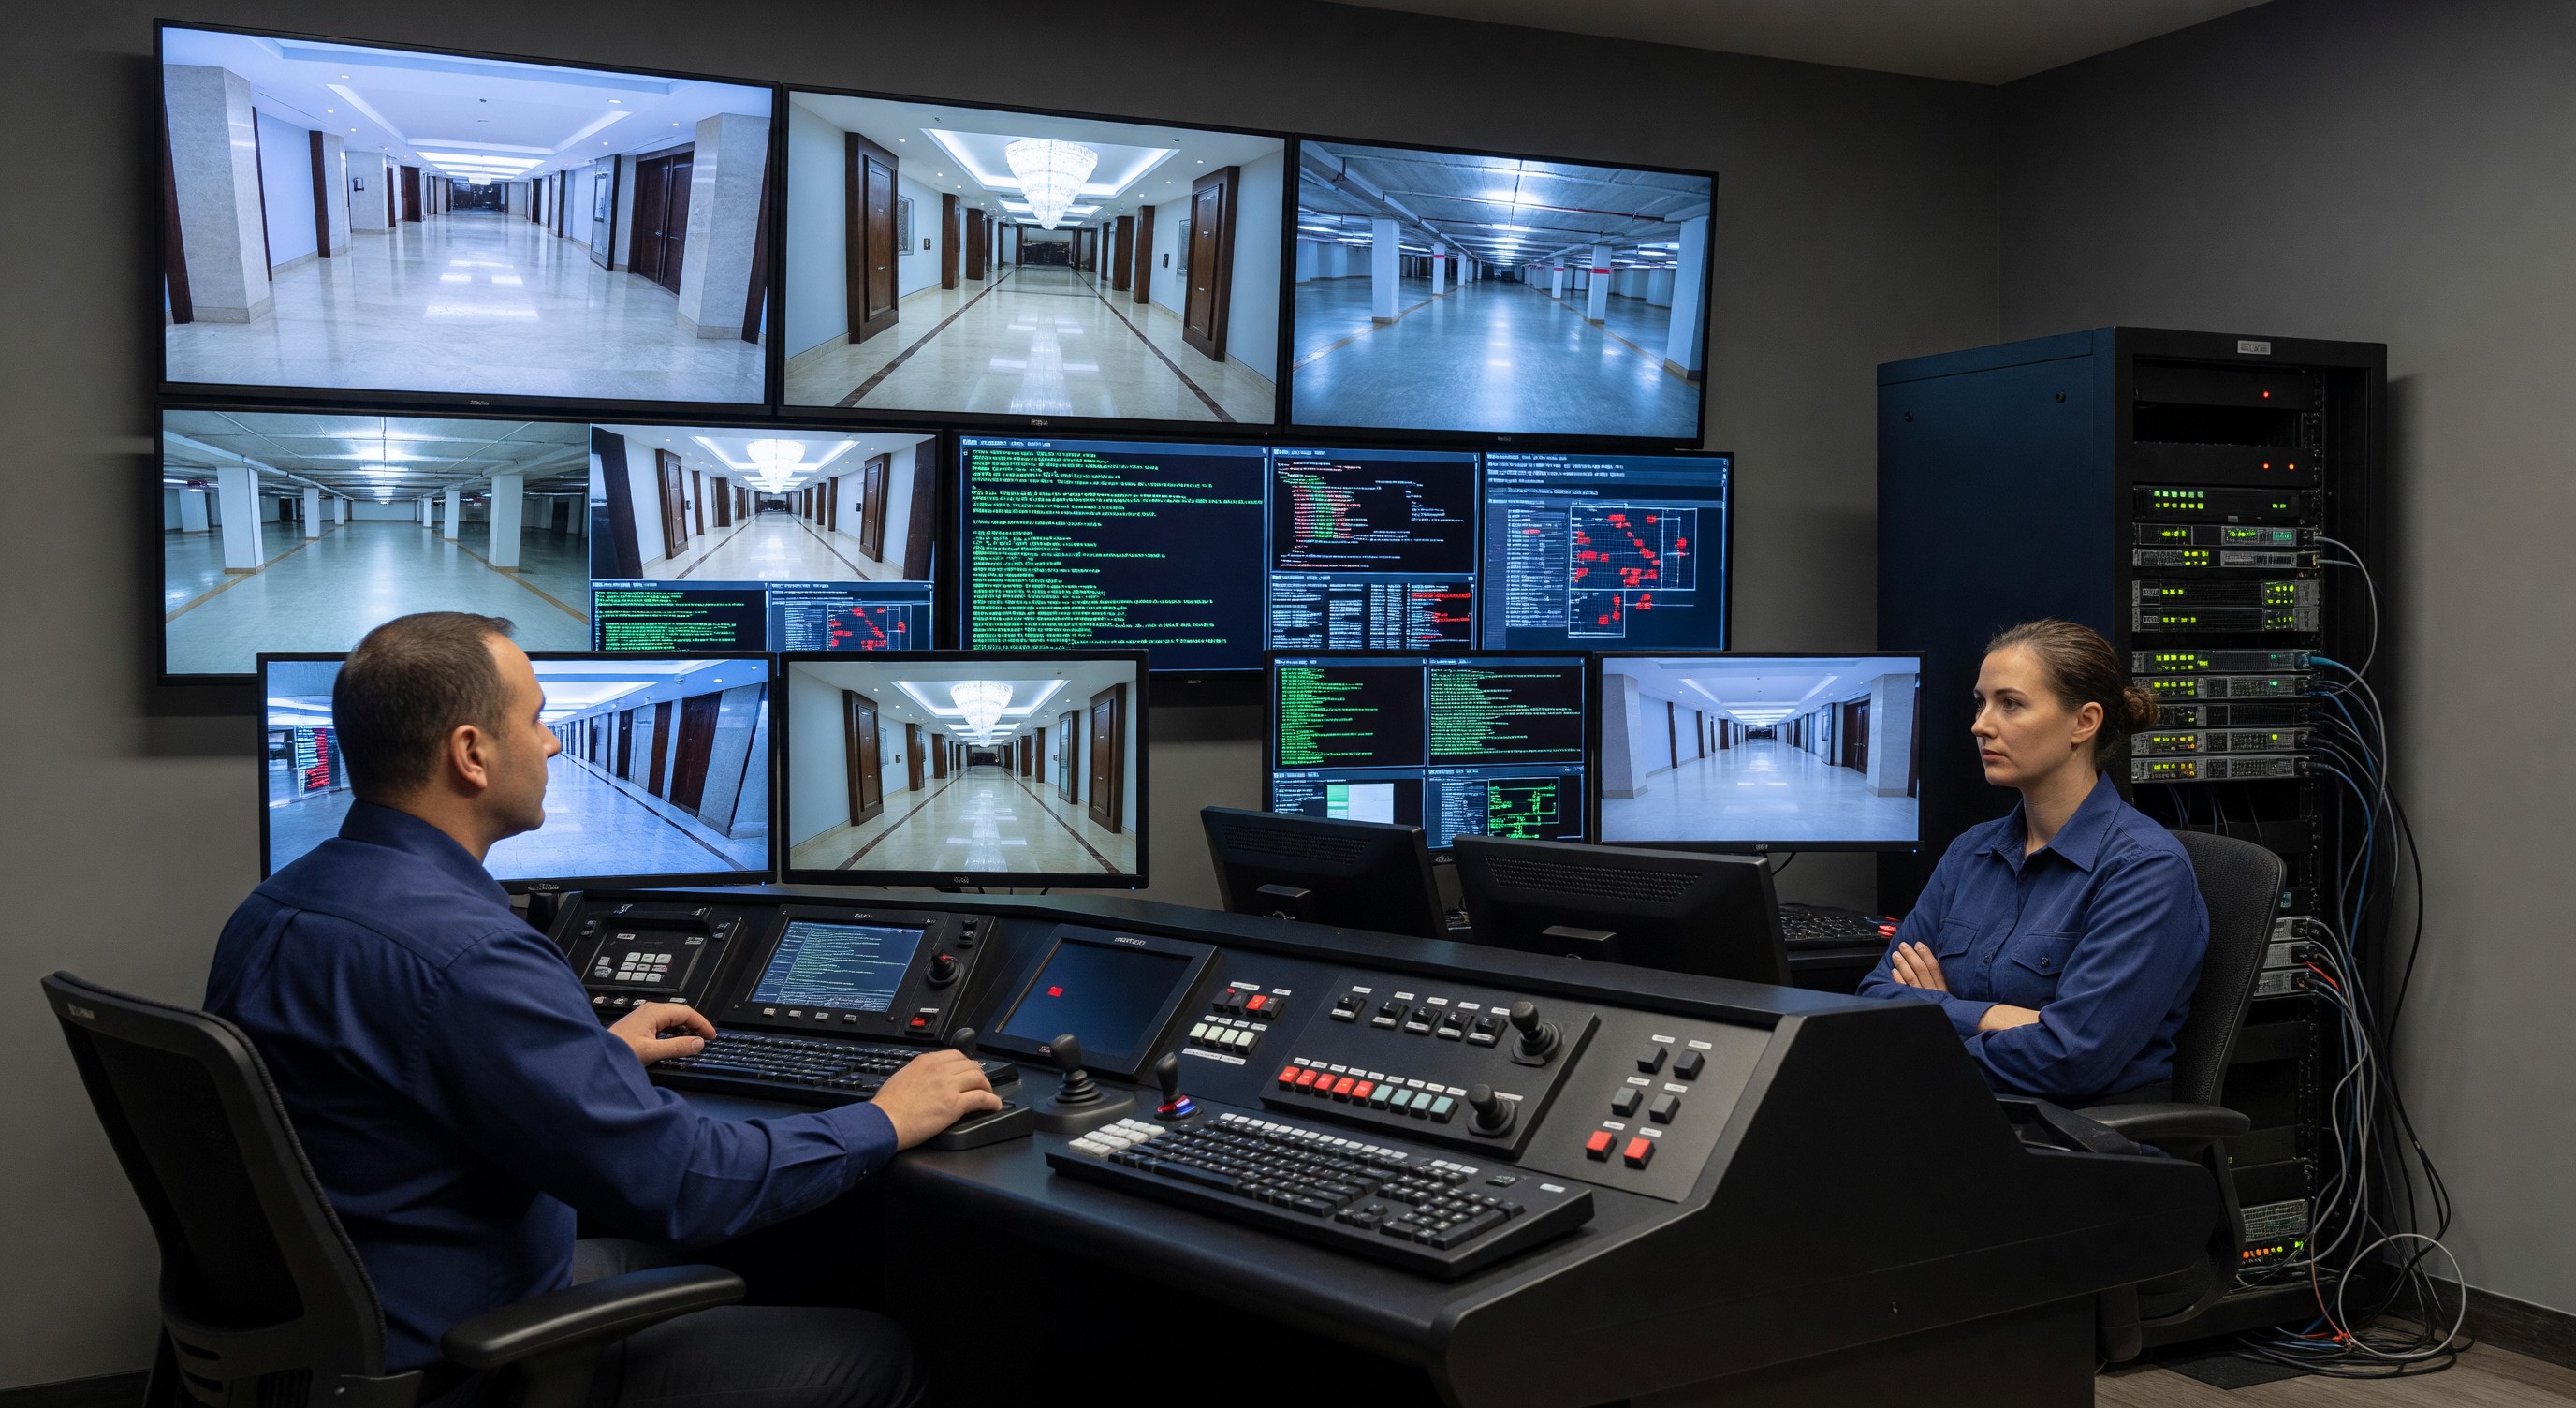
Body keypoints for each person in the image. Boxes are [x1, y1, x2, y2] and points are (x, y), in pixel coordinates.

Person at [207, 612, 996, 1407]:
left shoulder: (275, 906)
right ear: (472, 754)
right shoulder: (471, 954)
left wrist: (599, 1059)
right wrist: (884, 1117)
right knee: (878, 1353)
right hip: (459, 1361)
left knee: (726, 1262)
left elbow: (393, 1090)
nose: (550, 744)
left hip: (352, 1318)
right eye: (537, 720)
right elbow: (684, 1185)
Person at [1855, 619, 2209, 1107]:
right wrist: (1992, 1015)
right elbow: (1876, 996)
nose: (1980, 724)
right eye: (1981, 702)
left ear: (2084, 722)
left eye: (2011, 703)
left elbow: (2068, 1058)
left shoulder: (2145, 869)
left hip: (2074, 1144)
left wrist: (1936, 1013)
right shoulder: (1970, 853)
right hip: (1958, 1115)